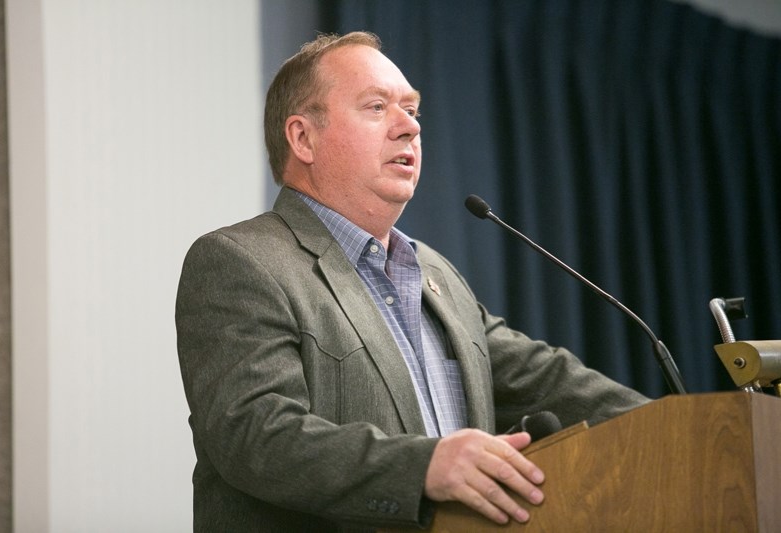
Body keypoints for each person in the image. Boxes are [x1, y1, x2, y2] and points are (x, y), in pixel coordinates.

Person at [175, 31, 649, 532]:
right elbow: (255, 437)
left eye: (412, 110)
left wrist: (698, 423)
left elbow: (549, 382)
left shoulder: (435, 274)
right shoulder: (242, 261)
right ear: (303, 138)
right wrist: (425, 467)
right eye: (377, 107)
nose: (409, 128)